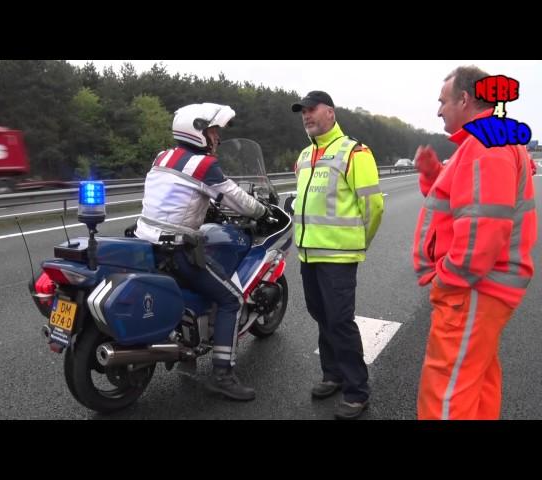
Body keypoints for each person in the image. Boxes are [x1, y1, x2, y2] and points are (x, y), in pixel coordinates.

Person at [412, 66, 538, 420]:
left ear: (465, 99)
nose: (438, 110)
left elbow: (484, 226)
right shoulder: (485, 140)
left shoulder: (485, 144)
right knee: (476, 381)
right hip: (484, 290)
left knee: (446, 392)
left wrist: (447, 280)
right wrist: (433, 173)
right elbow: (465, 202)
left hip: (472, 290)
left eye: (443, 101)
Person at [135, 103, 269, 401]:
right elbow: (235, 198)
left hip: (146, 243)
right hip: (176, 250)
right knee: (231, 298)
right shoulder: (203, 165)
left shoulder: (162, 156)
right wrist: (261, 212)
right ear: (197, 132)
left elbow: (177, 196)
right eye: (213, 131)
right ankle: (223, 374)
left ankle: (187, 342)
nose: (217, 138)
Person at [291, 91, 384, 419]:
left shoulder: (354, 152)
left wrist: (359, 242)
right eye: (302, 111)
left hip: (338, 255)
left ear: (330, 112)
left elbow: (373, 206)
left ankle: (357, 390)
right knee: (322, 316)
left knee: (340, 321)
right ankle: (332, 374)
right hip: (308, 253)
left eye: (312, 109)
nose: (306, 115)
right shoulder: (304, 155)